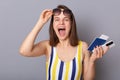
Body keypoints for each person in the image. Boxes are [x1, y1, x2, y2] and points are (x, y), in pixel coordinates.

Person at [19, 5, 109, 80]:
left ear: (71, 24)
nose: (61, 22)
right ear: (53, 25)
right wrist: (41, 22)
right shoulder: (48, 46)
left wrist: (92, 61)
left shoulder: (83, 47)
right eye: (57, 19)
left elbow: (87, 78)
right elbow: (24, 51)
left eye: (66, 20)